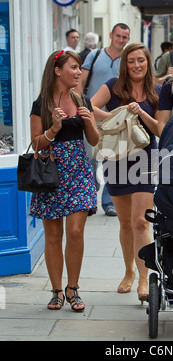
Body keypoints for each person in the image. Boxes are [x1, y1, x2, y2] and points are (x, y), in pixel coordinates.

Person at [29, 50, 99, 311]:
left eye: (79, 67)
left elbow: (93, 140)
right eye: (74, 67)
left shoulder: (82, 99)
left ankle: (74, 288)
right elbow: (36, 143)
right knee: (53, 234)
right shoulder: (41, 104)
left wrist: (89, 121)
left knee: (76, 231)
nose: (79, 72)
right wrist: (54, 129)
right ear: (58, 71)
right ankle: (57, 290)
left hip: (79, 171)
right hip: (51, 173)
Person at [91, 43, 160, 303]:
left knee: (140, 222)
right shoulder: (113, 85)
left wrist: (140, 111)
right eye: (131, 61)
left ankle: (144, 278)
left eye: (141, 60)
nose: (136, 65)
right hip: (116, 156)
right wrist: (118, 114)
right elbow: (89, 107)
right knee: (124, 223)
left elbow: (159, 130)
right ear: (125, 64)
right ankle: (129, 271)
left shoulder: (157, 91)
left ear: (147, 62)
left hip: (145, 160)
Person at [77, 23, 131, 217]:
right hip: (91, 115)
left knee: (112, 159)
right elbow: (80, 82)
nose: (121, 40)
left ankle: (109, 202)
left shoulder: (128, 60)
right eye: (118, 36)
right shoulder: (95, 55)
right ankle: (89, 200)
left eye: (125, 37)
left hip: (116, 120)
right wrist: (78, 106)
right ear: (111, 35)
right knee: (90, 159)